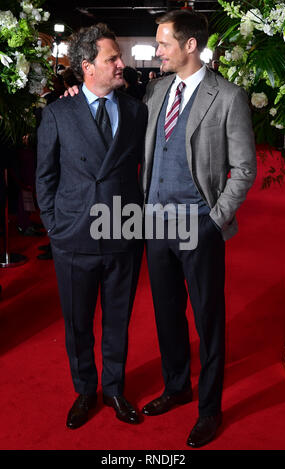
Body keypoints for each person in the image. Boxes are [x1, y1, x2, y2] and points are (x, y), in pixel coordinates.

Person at [140, 10, 256, 448]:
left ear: (190, 45)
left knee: (208, 320)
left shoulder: (227, 96)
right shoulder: (154, 91)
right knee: (167, 315)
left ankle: (210, 408)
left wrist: (213, 220)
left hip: (198, 227)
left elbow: (244, 169)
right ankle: (176, 386)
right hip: (154, 224)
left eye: (163, 43)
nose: (157, 51)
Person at [36, 23, 147, 429]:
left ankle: (114, 388)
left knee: (118, 319)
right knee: (78, 322)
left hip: (123, 233)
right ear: (87, 68)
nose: (122, 64)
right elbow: (44, 176)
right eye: (112, 59)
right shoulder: (58, 112)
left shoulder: (137, 110)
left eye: (119, 56)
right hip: (74, 237)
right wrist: (54, 226)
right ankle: (85, 390)